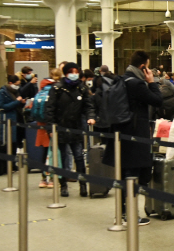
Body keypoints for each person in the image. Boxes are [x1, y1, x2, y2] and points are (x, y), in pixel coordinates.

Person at [98, 51, 163, 225]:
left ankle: (122, 213)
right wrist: (151, 83)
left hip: (120, 134)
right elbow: (158, 100)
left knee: (123, 175)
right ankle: (130, 215)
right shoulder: (137, 84)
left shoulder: (121, 80)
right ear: (143, 67)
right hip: (135, 137)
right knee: (134, 176)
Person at [45, 62, 92, 197]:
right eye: (71, 72)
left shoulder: (81, 88)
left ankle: (83, 185)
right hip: (60, 128)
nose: (74, 74)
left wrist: (90, 117)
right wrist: (50, 127)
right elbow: (50, 108)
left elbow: (88, 105)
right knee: (63, 158)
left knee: (79, 156)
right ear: (65, 73)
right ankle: (63, 185)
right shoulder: (57, 88)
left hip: (76, 127)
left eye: (76, 71)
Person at [0, 75, 26, 150]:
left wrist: (22, 102)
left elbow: (19, 105)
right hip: (9, 119)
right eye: (16, 84)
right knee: (10, 141)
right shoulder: (2, 93)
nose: (18, 86)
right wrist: (17, 102)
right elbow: (3, 106)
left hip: (19, 117)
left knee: (19, 140)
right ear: (10, 83)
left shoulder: (17, 92)